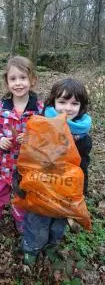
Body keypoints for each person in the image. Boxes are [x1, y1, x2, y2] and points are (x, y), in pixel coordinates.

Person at [21, 78, 92, 266]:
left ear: (81, 106)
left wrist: (81, 192)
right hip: (41, 190)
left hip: (64, 193)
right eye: (62, 102)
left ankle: (52, 245)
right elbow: (28, 159)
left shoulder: (83, 138)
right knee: (37, 223)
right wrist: (19, 182)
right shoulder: (41, 126)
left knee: (58, 224)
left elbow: (82, 167)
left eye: (74, 103)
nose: (67, 108)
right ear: (52, 102)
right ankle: (31, 248)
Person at [0, 56, 43, 234]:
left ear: (32, 80)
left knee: (21, 195)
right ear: (7, 82)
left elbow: (46, 136)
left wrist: (32, 137)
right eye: (13, 78)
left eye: (23, 78)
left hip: (26, 167)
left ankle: (19, 218)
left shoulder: (39, 109)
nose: (18, 83)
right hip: (1, 165)